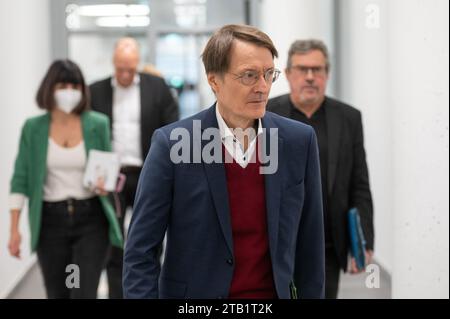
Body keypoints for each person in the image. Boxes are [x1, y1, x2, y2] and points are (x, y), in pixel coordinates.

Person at [123, 24, 325, 299]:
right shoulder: (172, 144)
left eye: (268, 74)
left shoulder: (298, 141)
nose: (262, 87)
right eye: (249, 76)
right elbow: (140, 251)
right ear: (214, 80)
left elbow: (310, 246)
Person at [267, 39, 374, 299]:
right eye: (303, 69)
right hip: (276, 239)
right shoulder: (265, 114)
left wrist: (365, 240)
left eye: (318, 70)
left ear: (327, 74)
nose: (310, 77)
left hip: (326, 242)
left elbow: (359, 182)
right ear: (289, 74)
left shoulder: (349, 118)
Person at [8, 60, 123, 299]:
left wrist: (105, 185)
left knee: (82, 291)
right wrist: (14, 230)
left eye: (75, 86)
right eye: (63, 86)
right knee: (57, 292)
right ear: (49, 88)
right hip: (50, 221)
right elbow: (20, 178)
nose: (69, 92)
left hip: (91, 218)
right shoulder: (34, 128)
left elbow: (107, 167)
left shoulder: (97, 124)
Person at [89, 38, 179, 299]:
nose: (125, 74)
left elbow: (172, 127)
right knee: (115, 242)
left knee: (149, 238)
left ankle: (152, 293)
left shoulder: (157, 88)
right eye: (120, 69)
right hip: (111, 175)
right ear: (113, 64)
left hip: (147, 173)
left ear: (137, 64)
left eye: (130, 68)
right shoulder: (96, 91)